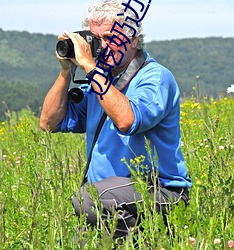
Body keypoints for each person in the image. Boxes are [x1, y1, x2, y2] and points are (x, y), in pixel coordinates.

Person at [40, 0, 192, 244]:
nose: (102, 46)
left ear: (132, 39)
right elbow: (49, 123)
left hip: (160, 192)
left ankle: (146, 241)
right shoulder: (97, 83)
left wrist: (90, 67)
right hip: (110, 199)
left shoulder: (154, 77)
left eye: (110, 37)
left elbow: (127, 120)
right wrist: (66, 70)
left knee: (88, 200)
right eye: (95, 38)